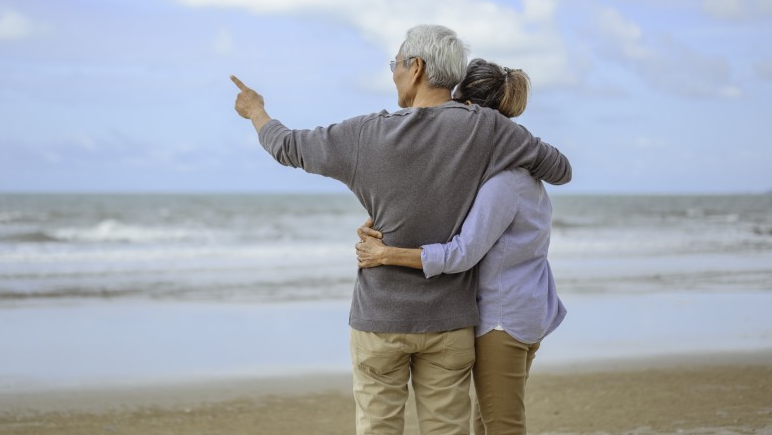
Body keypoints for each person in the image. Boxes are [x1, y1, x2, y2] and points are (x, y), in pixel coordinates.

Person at [231, 25, 572, 435]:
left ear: (416, 68)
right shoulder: (489, 129)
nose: (392, 72)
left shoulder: (363, 135)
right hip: (449, 321)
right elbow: (558, 168)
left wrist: (256, 111)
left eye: (395, 63)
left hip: (381, 317)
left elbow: (286, 146)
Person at [355, 58, 566, 435]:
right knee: (484, 423)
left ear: (469, 111)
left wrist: (386, 254)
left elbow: (462, 252)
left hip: (502, 319)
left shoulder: (502, 183)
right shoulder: (522, 171)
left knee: (501, 426)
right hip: (524, 309)